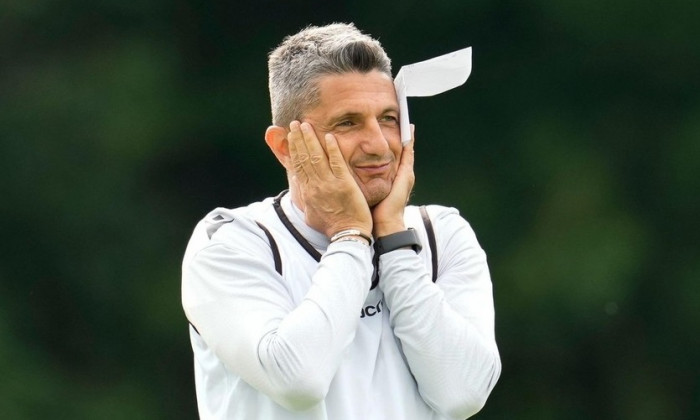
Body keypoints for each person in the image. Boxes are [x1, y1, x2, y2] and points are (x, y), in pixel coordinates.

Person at [181, 22, 500, 420]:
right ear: (285, 147)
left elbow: (463, 393)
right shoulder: (231, 242)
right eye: (348, 123)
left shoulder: (442, 234)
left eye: (388, 118)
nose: (379, 145)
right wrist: (350, 235)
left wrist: (393, 240)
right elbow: (298, 381)